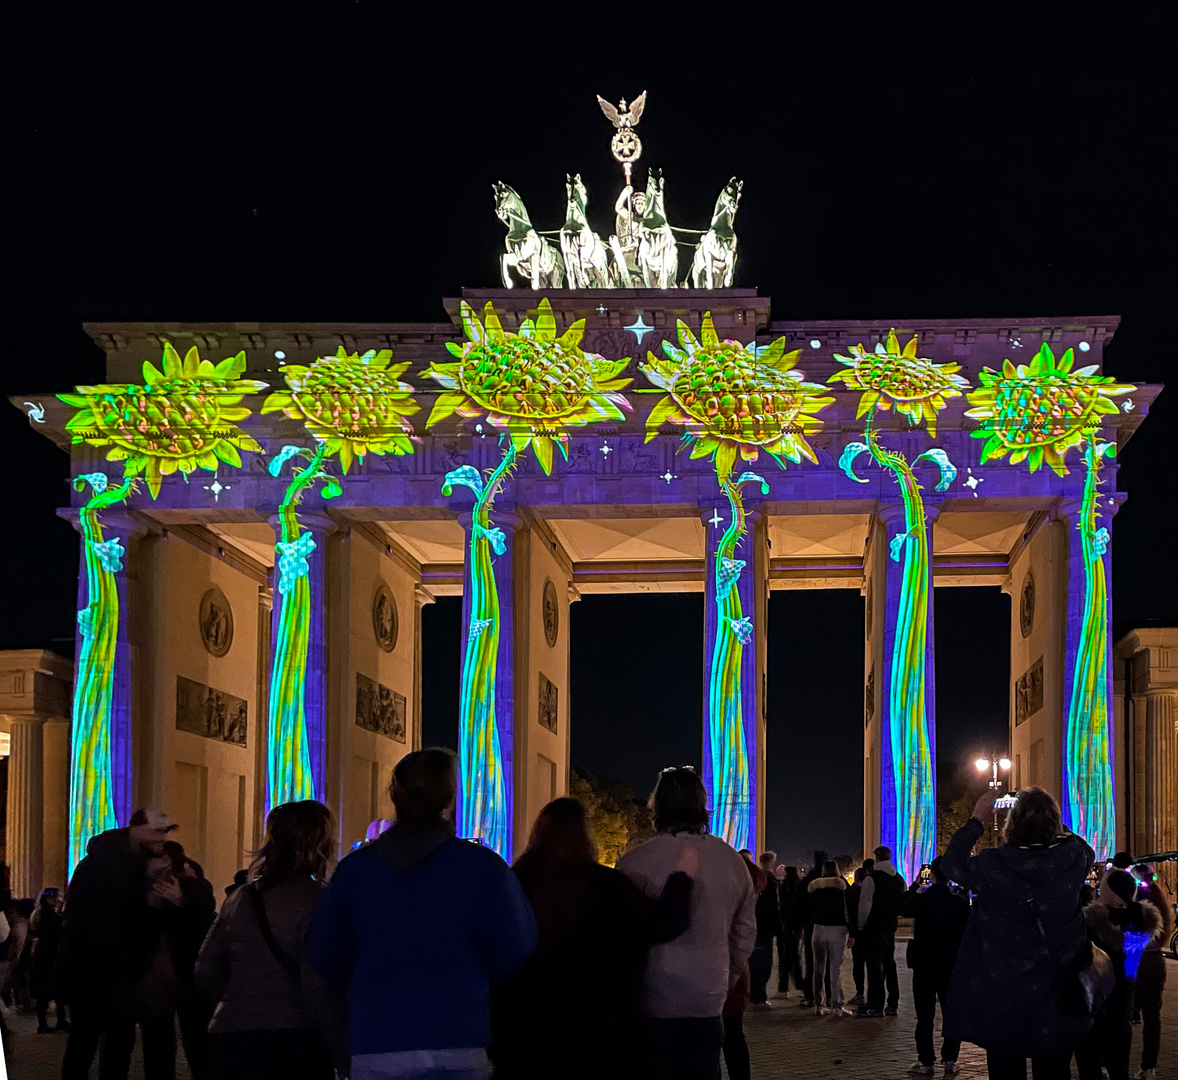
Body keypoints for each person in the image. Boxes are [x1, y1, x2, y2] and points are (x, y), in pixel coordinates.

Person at [307, 748, 537, 1080]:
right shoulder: (484, 868)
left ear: (393, 792)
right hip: (459, 1037)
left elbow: (324, 954)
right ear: (450, 798)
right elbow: (517, 947)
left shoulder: (354, 872)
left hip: (377, 1042)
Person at [491, 797, 694, 1080]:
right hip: (601, 1036)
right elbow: (664, 924)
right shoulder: (608, 887)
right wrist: (681, 876)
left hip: (526, 1035)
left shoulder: (514, 885)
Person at [941, 786, 1095, 1080]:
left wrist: (976, 819)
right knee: (1054, 1071)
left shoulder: (992, 865)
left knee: (1005, 1071)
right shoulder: (1073, 860)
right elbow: (1086, 848)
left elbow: (951, 865)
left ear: (1013, 825)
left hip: (1003, 997)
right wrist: (1055, 824)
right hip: (1058, 996)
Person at [617, 767, 756, 1080]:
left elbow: (621, 933)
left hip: (653, 997)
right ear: (702, 804)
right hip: (708, 996)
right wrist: (724, 975)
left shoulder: (634, 861)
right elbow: (745, 934)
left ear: (657, 806)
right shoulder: (732, 861)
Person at [196, 800, 345, 1080]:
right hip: (298, 1035)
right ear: (322, 844)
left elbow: (205, 970)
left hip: (232, 1031)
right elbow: (321, 983)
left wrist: (237, 1000)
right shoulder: (321, 902)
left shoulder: (240, 898)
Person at [58, 807, 183, 1080]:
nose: (163, 838)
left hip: (114, 968)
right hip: (104, 968)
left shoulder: (115, 860)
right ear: (136, 828)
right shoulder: (113, 866)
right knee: (98, 1041)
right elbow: (98, 918)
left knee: (102, 1042)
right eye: (157, 831)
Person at [1074, 869, 1164, 1080]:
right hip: (1124, 997)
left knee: (1090, 1064)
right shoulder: (1142, 918)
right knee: (1119, 1062)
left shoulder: (1093, 921)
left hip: (1095, 1000)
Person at [901, 857, 970, 1075]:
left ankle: (926, 1061)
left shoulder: (923, 900)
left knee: (924, 1015)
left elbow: (902, 906)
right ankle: (950, 1059)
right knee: (951, 1013)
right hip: (950, 964)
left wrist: (916, 883)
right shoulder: (959, 903)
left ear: (932, 874)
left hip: (924, 963)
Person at [162, 841, 216, 1080]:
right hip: (188, 974)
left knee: (192, 1036)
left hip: (183, 973)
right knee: (194, 1037)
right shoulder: (197, 890)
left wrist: (181, 903)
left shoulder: (191, 893)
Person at [720, 851, 765, 1080]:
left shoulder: (720, 888)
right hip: (736, 970)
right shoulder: (751, 888)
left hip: (717, 968)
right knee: (734, 1033)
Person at [1132, 864, 1171, 1080]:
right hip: (1155, 961)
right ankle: (1149, 1067)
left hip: (1136, 961)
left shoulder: (1137, 902)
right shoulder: (1159, 901)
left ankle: (1108, 1065)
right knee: (1152, 1016)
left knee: (1122, 1013)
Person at [857, 844, 905, 1017]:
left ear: (876, 858)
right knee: (889, 965)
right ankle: (892, 1004)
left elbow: (865, 906)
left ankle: (875, 1004)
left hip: (873, 928)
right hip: (890, 927)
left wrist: (861, 925)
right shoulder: (899, 879)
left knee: (874, 967)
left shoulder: (871, 879)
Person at [808, 859, 851, 1015]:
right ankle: (837, 1006)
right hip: (837, 928)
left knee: (818, 968)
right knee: (835, 969)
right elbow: (849, 910)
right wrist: (852, 932)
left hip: (818, 928)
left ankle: (819, 1004)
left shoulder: (814, 888)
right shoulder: (842, 887)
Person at [29, 887, 66, 1033]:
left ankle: (54, 1021)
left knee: (48, 990)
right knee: (47, 989)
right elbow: (53, 932)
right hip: (47, 955)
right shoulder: (45, 915)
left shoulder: (38, 914)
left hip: (44, 954)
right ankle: (48, 1023)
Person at [749, 851, 782, 1009]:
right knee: (763, 962)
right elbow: (773, 907)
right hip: (765, 926)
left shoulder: (754, 878)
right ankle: (759, 997)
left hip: (753, 924)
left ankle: (752, 994)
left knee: (753, 960)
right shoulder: (770, 881)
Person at [794, 850, 826, 1007]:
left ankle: (810, 994)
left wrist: (797, 923)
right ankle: (828, 995)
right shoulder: (836, 880)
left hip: (809, 925)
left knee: (810, 961)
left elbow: (798, 902)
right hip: (830, 925)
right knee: (830, 963)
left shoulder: (808, 880)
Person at [777, 866, 805, 997]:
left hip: (785, 924)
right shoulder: (800, 886)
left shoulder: (783, 886)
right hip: (797, 924)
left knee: (785, 956)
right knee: (794, 955)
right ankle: (799, 984)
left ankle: (785, 986)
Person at [846, 867, 867, 1006]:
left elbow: (851, 914)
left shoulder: (852, 892)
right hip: (871, 931)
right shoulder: (870, 891)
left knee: (858, 964)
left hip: (858, 932)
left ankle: (860, 993)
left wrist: (852, 933)